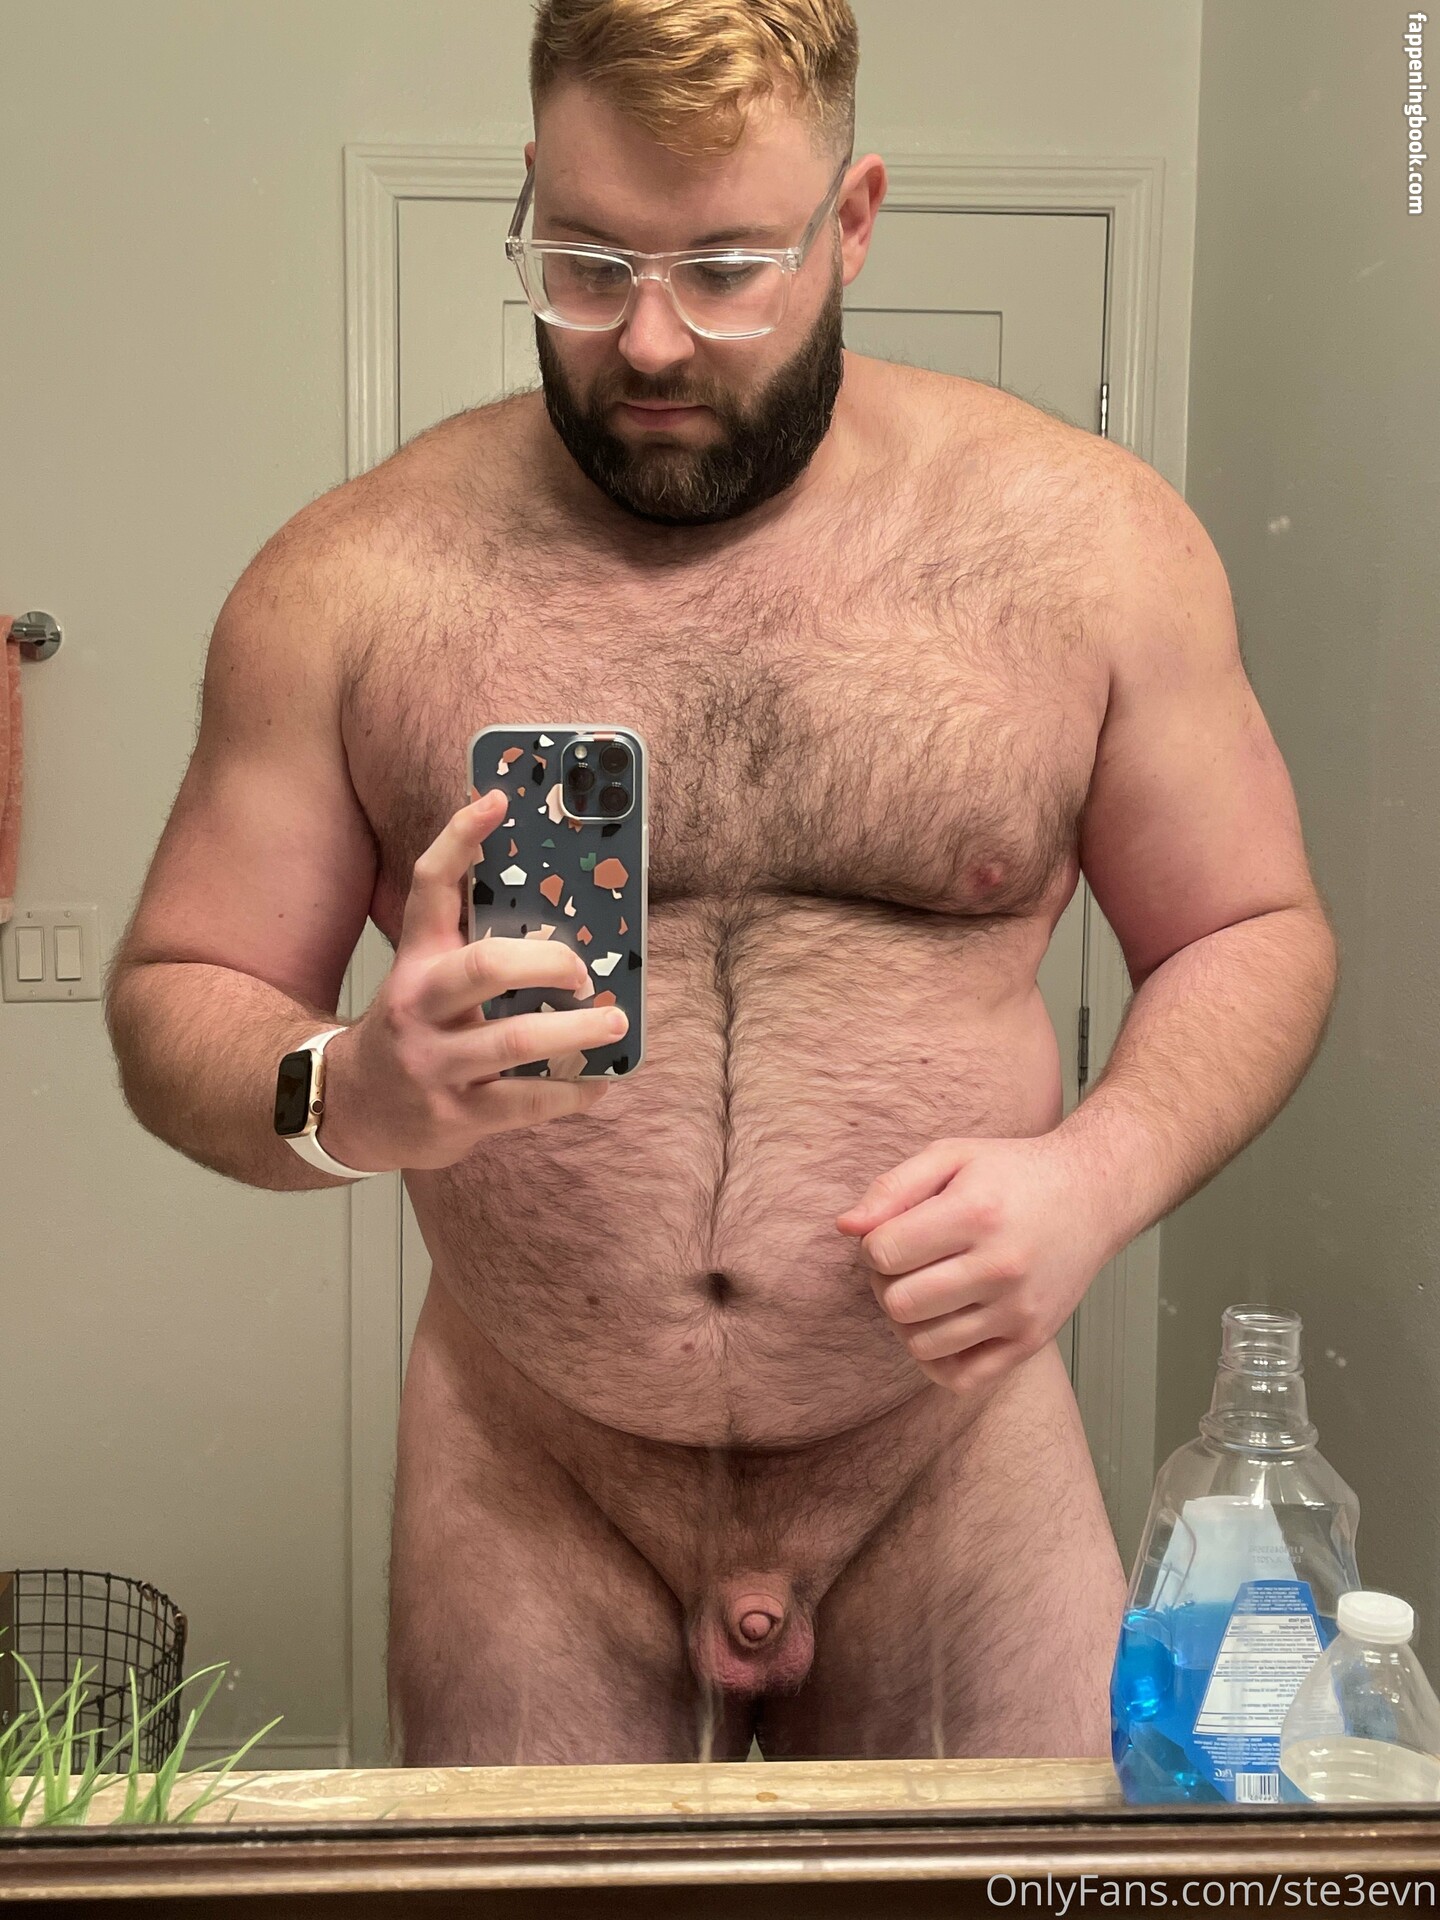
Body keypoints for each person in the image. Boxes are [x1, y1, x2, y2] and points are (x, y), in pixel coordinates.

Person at [106, 0, 1337, 1767]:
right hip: (533, 1470)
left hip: (950, 1456)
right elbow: (181, 993)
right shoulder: (353, 581)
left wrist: (1095, 1178)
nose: (650, 339)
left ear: (854, 221)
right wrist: (345, 1092)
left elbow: (1252, 930)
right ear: (530, 195)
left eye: (729, 268)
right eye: (587, 261)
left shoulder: (1087, 544)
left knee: (1010, 1894)